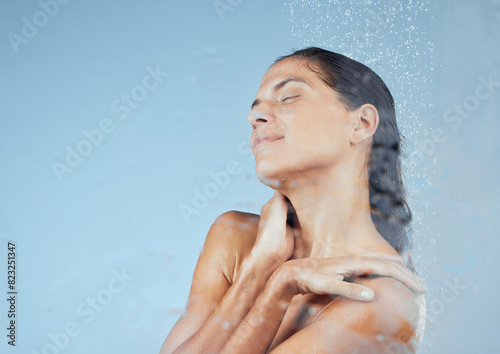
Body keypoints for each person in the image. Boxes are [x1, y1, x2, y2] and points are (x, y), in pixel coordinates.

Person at [160, 47, 427, 353]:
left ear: (362, 123)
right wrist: (260, 270)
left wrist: (279, 285)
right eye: (256, 107)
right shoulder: (238, 240)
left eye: (288, 97)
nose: (253, 117)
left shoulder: (381, 298)